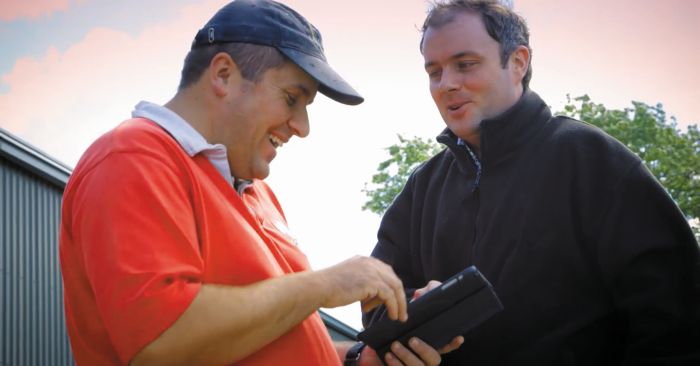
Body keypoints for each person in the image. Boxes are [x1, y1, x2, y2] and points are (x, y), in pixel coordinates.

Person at [58, 1, 464, 365]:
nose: (302, 127)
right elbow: (160, 341)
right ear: (222, 75)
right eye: (292, 98)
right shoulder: (132, 155)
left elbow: (274, 346)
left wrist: (365, 357)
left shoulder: (255, 191)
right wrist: (326, 284)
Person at [362, 0, 700, 365]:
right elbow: (375, 307)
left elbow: (677, 327)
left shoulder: (594, 162)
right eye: (434, 71)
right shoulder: (421, 188)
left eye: (465, 64)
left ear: (518, 62)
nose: (447, 84)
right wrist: (416, 311)